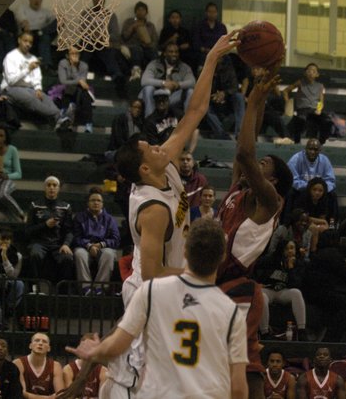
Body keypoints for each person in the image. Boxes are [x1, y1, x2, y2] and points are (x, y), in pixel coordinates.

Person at [111, 32, 238, 391]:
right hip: (148, 289)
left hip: (173, 279)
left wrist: (212, 57)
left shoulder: (161, 163)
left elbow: (195, 111)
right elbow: (151, 274)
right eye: (149, 148)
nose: (157, 145)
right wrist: (195, 273)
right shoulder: (152, 211)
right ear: (144, 171)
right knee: (142, 377)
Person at [64, 218, 249, 399]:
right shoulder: (232, 312)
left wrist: (95, 350)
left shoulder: (152, 291)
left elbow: (116, 346)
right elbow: (239, 387)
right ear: (223, 257)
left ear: (184, 251)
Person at [215, 71, 294, 397]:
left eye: (265, 165)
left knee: (244, 364)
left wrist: (252, 100)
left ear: (272, 181)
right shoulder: (239, 187)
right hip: (215, 281)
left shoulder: (269, 201)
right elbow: (245, 149)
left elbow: (246, 153)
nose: (256, 163)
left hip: (237, 286)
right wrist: (258, 101)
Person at [0, 32, 69, 129]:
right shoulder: (11, 56)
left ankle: (59, 119)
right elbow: (11, 80)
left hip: (29, 88)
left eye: (30, 42)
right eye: (25, 41)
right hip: (11, 88)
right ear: (19, 40)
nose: (28, 44)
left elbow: (37, 77)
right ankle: (59, 115)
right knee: (30, 99)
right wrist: (28, 69)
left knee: (45, 98)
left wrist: (38, 89)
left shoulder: (33, 58)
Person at [25, 176, 75, 288]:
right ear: (45, 188)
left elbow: (69, 230)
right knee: (35, 254)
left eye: (54, 185)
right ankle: (34, 288)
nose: (51, 188)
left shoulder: (66, 207)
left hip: (57, 244)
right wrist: (45, 225)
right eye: (49, 185)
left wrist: (66, 244)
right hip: (39, 242)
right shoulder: (35, 205)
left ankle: (63, 291)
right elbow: (28, 231)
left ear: (58, 188)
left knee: (67, 258)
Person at [256, 239, 307, 341]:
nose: (289, 251)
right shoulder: (271, 260)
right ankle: (265, 332)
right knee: (261, 296)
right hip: (268, 290)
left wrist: (290, 268)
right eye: (286, 249)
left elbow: (296, 285)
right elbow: (258, 271)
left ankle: (302, 331)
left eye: (292, 248)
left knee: (296, 293)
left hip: (284, 292)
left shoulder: (299, 264)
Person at [72, 187, 120, 296]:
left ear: (102, 203)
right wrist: (89, 246)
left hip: (103, 247)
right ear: (88, 203)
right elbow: (76, 237)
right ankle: (86, 287)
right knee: (79, 254)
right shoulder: (79, 217)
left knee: (108, 254)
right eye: (93, 200)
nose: (96, 203)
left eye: (99, 201)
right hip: (85, 247)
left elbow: (115, 239)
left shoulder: (109, 219)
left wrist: (101, 245)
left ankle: (100, 287)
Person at [139, 41, 195, 116]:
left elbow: (192, 82)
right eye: (171, 52)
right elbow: (144, 80)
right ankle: (151, 121)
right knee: (148, 88)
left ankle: (187, 123)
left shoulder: (184, 67)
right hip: (156, 96)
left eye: (176, 52)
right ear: (165, 53)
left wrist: (177, 85)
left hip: (172, 97)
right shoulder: (155, 64)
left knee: (190, 91)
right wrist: (163, 83)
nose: (174, 54)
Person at [284, 63, 331, 145]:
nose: (311, 72)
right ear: (305, 72)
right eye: (309, 70)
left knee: (327, 121)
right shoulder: (300, 82)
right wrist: (288, 103)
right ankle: (297, 142)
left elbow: (321, 101)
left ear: (317, 74)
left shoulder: (320, 86)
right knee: (300, 120)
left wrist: (319, 109)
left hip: (315, 111)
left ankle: (320, 143)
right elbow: (285, 91)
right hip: (303, 110)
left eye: (313, 71)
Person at [13, 0, 56, 70]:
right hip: (27, 33)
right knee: (44, 36)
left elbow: (56, 22)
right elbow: (23, 22)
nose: (37, 0)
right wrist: (26, 25)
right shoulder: (23, 8)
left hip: (41, 34)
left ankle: (46, 65)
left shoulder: (44, 12)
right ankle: (46, 64)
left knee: (48, 31)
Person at [13, 333, 64, 399]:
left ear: (49, 348)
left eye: (44, 341)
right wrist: (48, 398)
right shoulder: (18, 363)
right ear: (30, 345)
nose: (40, 343)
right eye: (37, 340)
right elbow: (21, 393)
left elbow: (60, 394)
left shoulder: (56, 366)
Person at [206, 55, 246, 139]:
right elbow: (202, 90)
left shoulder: (228, 69)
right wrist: (213, 96)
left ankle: (239, 133)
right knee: (203, 106)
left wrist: (224, 93)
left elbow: (234, 87)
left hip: (227, 99)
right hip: (211, 99)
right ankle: (221, 134)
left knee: (239, 97)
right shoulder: (205, 70)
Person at [55, 47, 94, 133]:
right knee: (69, 88)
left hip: (78, 91)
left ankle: (89, 124)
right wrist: (78, 80)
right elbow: (63, 81)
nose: (75, 56)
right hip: (63, 90)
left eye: (77, 53)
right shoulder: (63, 63)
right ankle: (63, 114)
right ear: (67, 55)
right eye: (72, 54)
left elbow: (83, 83)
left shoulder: (84, 65)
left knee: (85, 94)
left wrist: (73, 67)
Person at [120, 1, 159, 72]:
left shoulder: (150, 25)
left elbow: (155, 41)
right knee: (137, 49)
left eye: (143, 10)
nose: (140, 12)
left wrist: (148, 44)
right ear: (135, 12)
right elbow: (124, 37)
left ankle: (154, 72)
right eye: (138, 10)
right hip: (132, 46)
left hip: (147, 47)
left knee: (153, 52)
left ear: (146, 12)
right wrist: (132, 27)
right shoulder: (129, 21)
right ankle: (136, 71)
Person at [192, 2, 228, 68]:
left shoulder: (222, 27)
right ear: (206, 13)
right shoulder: (200, 26)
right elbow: (196, 43)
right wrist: (206, 50)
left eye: (214, 12)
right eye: (210, 12)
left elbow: (225, 42)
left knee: (227, 59)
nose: (212, 14)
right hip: (204, 53)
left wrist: (218, 52)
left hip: (218, 53)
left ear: (217, 13)